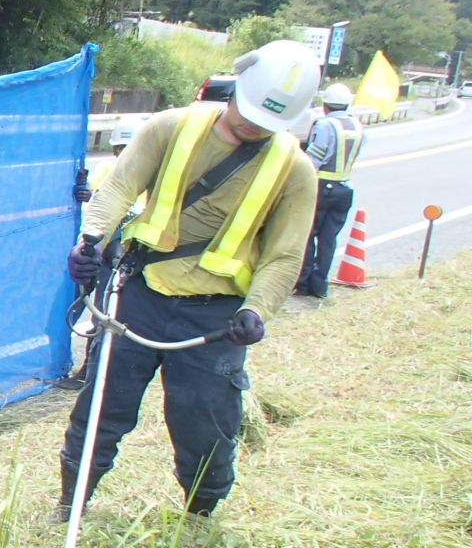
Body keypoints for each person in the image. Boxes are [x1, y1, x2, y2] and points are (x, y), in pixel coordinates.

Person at [55, 40, 320, 520]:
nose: (253, 125)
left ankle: (200, 517)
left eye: (267, 121)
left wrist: (256, 310)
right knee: (101, 410)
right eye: (248, 111)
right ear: (235, 85)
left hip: (217, 320)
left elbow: (284, 255)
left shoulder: (295, 171)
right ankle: (71, 502)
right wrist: (91, 240)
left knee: (206, 426)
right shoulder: (171, 127)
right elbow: (119, 186)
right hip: (139, 295)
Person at [58, 122, 140, 389]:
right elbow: (96, 200)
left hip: (122, 254)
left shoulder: (150, 171)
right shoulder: (108, 170)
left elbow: (141, 210)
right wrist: (83, 192)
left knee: (104, 315)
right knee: (74, 304)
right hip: (96, 250)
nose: (122, 153)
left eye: (126, 148)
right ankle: (60, 362)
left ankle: (90, 375)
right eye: (118, 148)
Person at [295, 82, 366, 299]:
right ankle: (320, 285)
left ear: (325, 105)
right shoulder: (357, 126)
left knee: (308, 236)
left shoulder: (325, 125)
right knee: (328, 238)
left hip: (321, 187)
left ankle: (304, 283)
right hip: (345, 188)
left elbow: (314, 159)